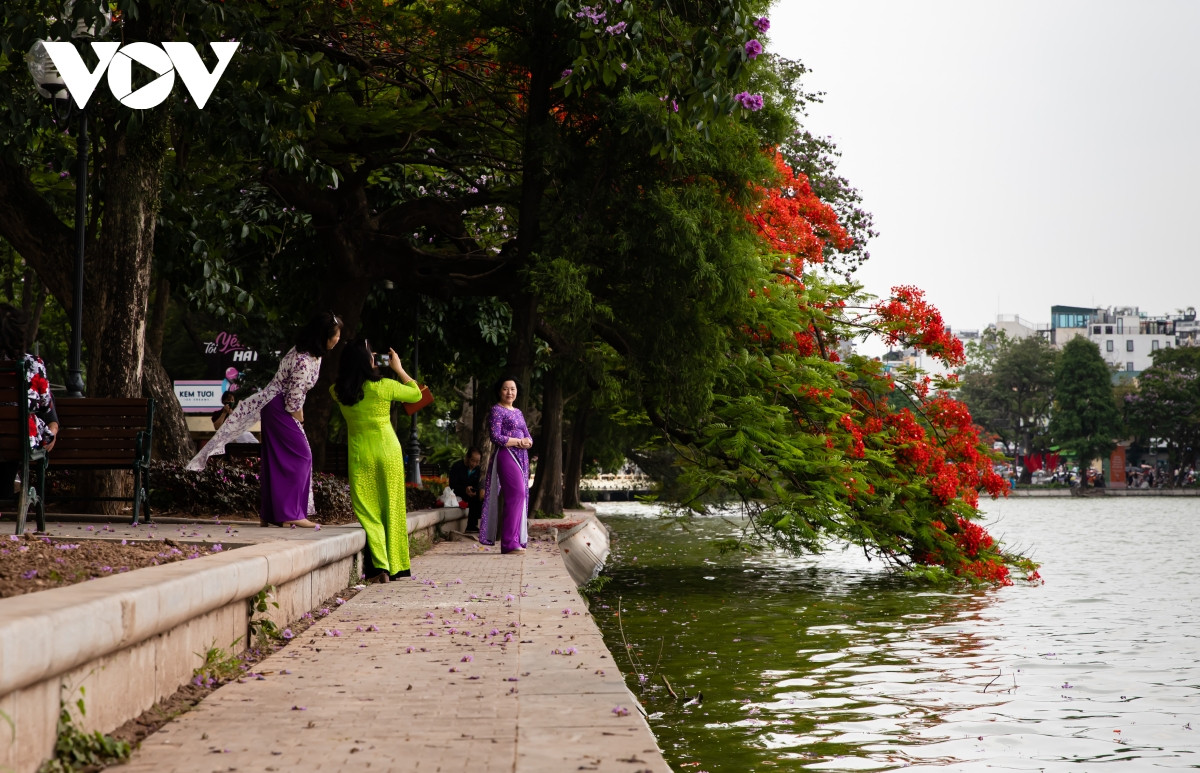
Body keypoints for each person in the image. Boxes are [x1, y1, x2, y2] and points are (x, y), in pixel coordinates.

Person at [188, 311, 342, 528]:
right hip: (280, 407)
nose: (337, 339)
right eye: (335, 335)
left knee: (277, 458)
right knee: (301, 456)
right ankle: (290, 515)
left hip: (277, 406)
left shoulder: (311, 356)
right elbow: (293, 398)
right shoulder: (303, 360)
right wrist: (300, 415)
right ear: (323, 336)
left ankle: (271, 514)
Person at [331, 339, 423, 580]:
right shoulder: (384, 385)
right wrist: (399, 368)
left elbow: (348, 383)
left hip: (361, 454)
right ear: (367, 362)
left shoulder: (337, 391)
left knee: (368, 511)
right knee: (392, 508)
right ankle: (397, 565)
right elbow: (415, 395)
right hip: (388, 452)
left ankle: (380, 566)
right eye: (371, 355)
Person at [0, 304, 58, 493]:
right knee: (25, 428)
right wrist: (52, 429)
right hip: (21, 441)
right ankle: (9, 487)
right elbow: (45, 407)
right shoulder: (34, 365)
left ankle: (7, 487)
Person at [478, 377, 532, 554]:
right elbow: (495, 436)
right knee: (516, 494)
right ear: (499, 391)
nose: (510, 392)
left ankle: (516, 539)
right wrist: (518, 441)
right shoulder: (496, 410)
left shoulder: (518, 412)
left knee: (521, 496)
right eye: (505, 389)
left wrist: (527, 443)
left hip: (522, 456)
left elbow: (528, 436)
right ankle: (508, 542)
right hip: (506, 455)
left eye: (513, 389)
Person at [448, 447, 483, 532]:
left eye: (477, 462)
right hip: (458, 493)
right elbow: (452, 485)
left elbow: (476, 484)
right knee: (473, 500)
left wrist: (474, 490)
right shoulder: (457, 466)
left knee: (480, 497)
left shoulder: (477, 470)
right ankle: (471, 526)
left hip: (470, 495)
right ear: (467, 458)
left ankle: (474, 525)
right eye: (472, 460)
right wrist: (465, 489)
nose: (474, 464)